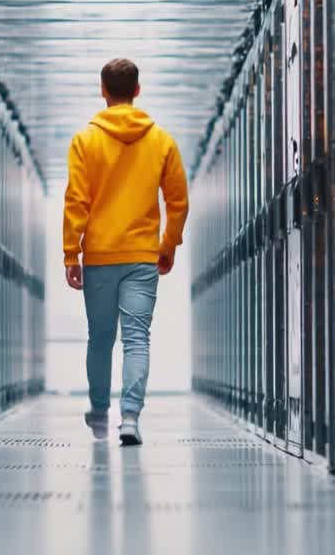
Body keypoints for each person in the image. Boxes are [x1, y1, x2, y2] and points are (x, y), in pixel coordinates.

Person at [62, 58, 189, 445]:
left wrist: (71, 253)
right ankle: (130, 417)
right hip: (141, 257)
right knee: (137, 339)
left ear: (103, 90)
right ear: (137, 90)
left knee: (101, 338)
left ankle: (100, 412)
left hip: (100, 256)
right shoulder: (161, 141)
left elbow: (76, 200)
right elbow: (178, 202)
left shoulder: (85, 141)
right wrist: (167, 246)